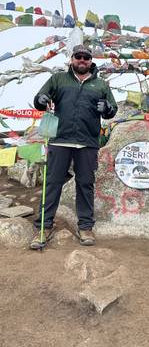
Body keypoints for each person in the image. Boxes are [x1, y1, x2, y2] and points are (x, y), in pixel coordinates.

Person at [29, 44, 118, 250]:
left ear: (90, 61)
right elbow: (40, 99)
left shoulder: (101, 85)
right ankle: (44, 226)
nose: (82, 60)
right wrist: (41, 100)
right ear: (72, 59)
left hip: (87, 143)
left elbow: (112, 109)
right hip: (59, 140)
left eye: (86, 58)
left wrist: (108, 108)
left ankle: (85, 227)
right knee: (52, 184)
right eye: (78, 57)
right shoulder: (58, 79)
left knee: (85, 185)